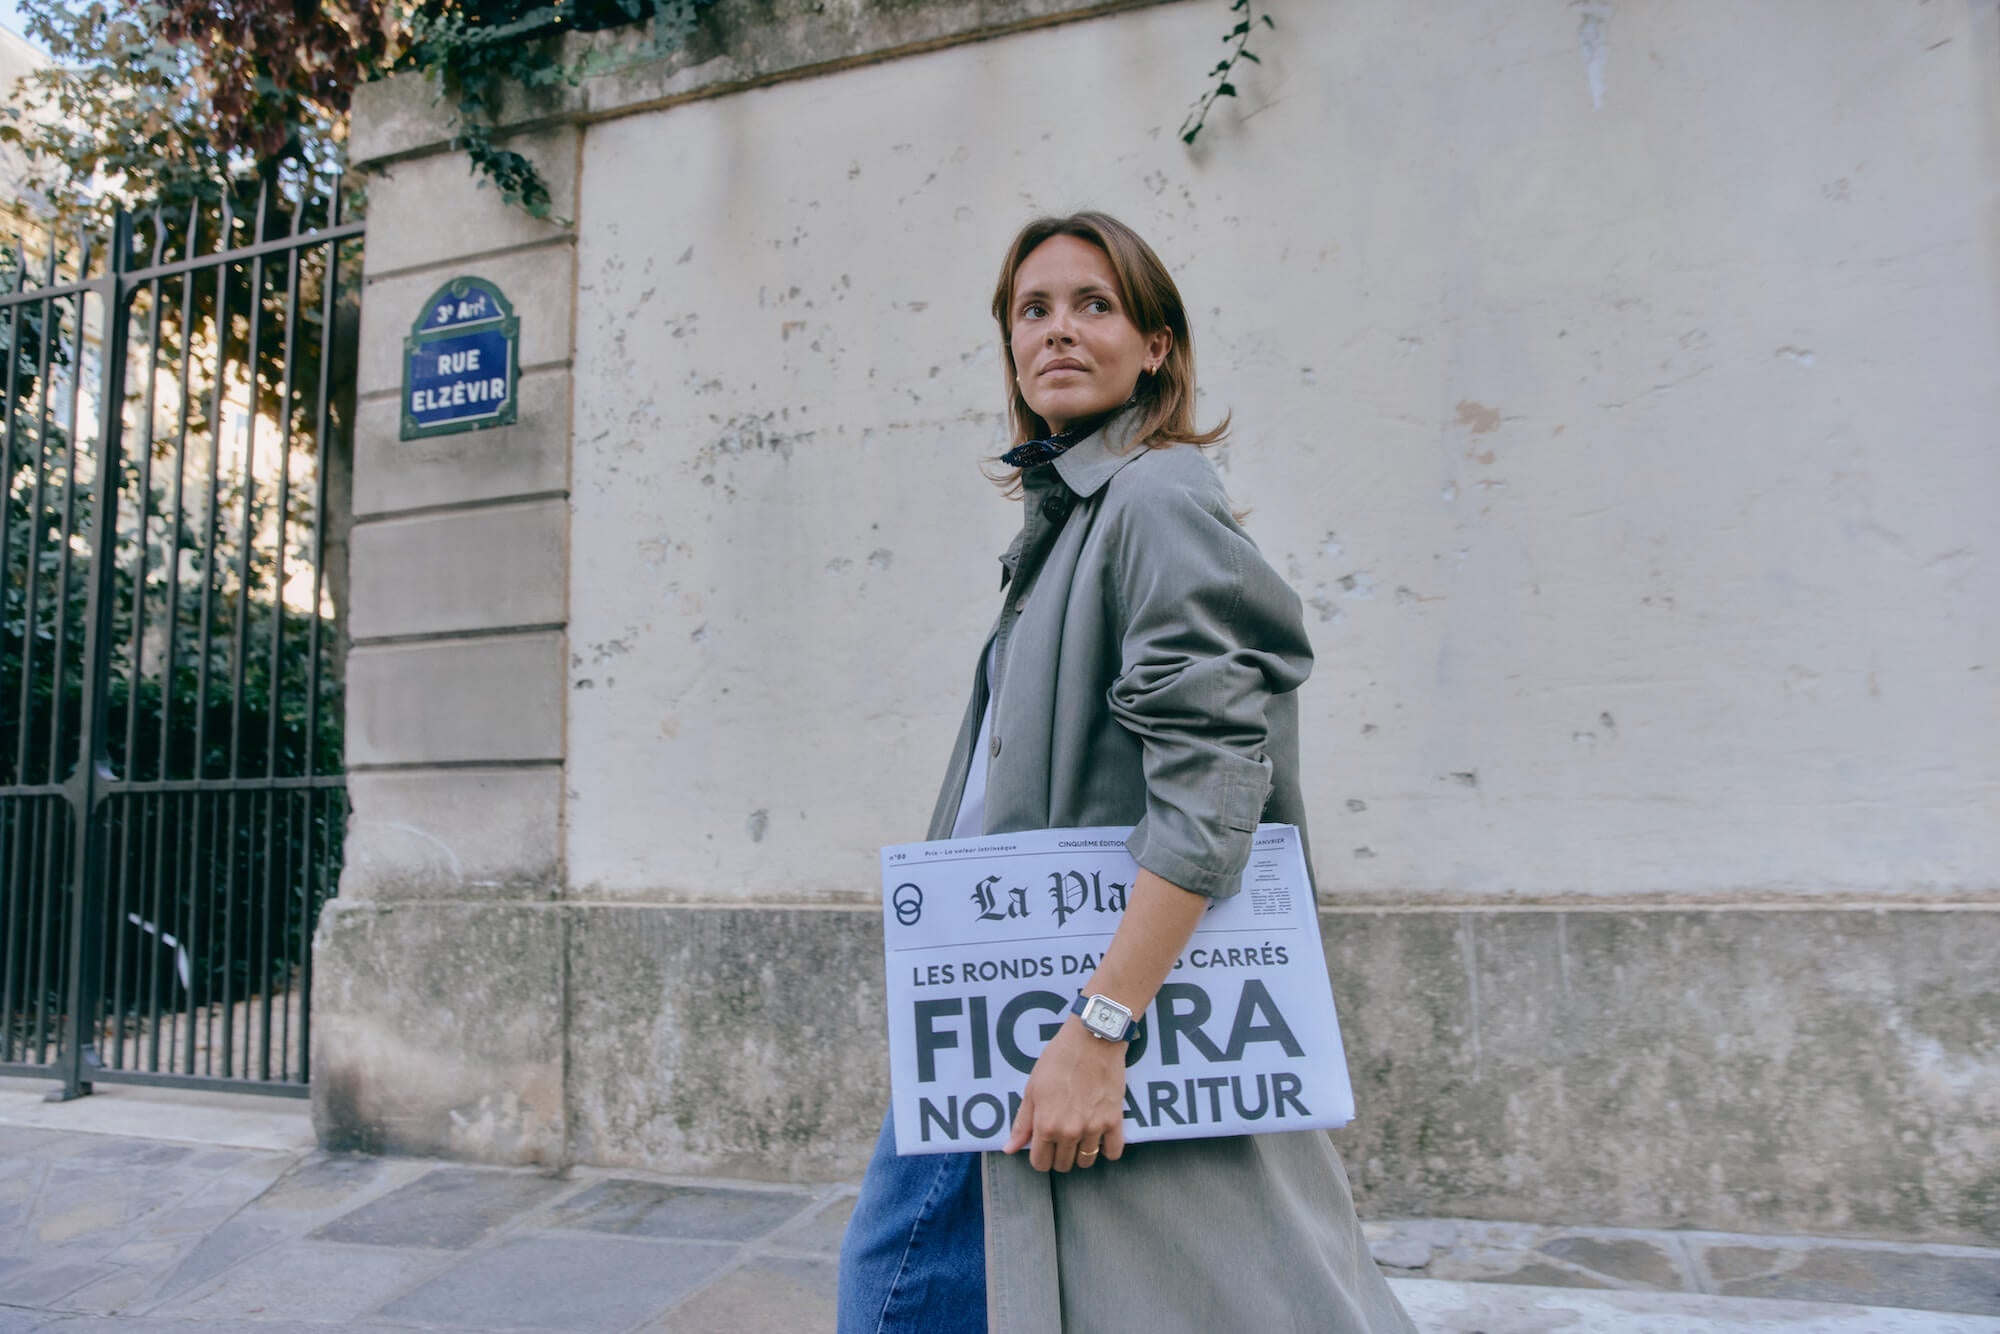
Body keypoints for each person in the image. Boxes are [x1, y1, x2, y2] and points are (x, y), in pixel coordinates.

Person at [837, 212, 1415, 1334]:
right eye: (1031, 310)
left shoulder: (1154, 496)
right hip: (993, 1001)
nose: (1057, 329)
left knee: (897, 1292)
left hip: (1055, 1003)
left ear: (1155, 344)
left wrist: (1099, 1027)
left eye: (1093, 304)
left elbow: (1210, 780)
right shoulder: (1066, 524)